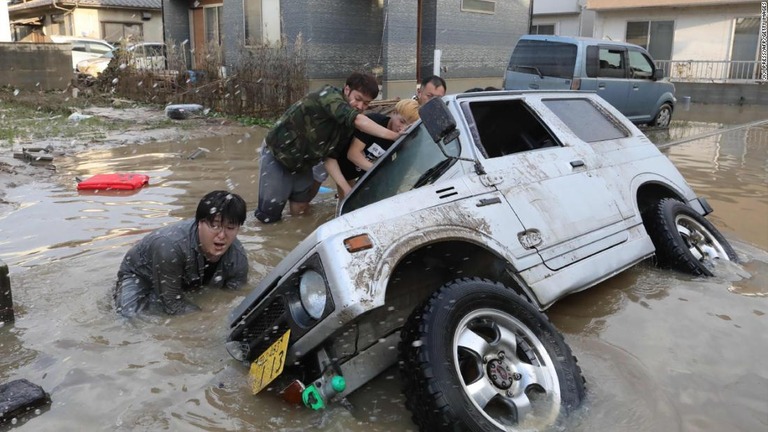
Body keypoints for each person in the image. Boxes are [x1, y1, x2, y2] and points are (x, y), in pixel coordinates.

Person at [255, 72, 400, 223]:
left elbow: (330, 158)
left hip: (304, 162)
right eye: (358, 99)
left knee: (301, 210)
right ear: (346, 90)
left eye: (366, 103)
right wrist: (395, 136)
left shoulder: (347, 127)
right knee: (268, 218)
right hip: (278, 155)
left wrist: (347, 189)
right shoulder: (328, 95)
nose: (360, 106)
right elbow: (357, 120)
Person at [114, 191, 248, 317]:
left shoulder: (238, 257)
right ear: (199, 223)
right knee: (128, 316)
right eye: (214, 225)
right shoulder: (169, 246)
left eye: (230, 228)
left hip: (188, 278)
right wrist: (207, 318)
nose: (222, 235)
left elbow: (235, 296)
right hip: (141, 275)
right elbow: (173, 305)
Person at [324, 99, 420, 199]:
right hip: (336, 162)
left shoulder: (404, 137)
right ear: (393, 113)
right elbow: (353, 154)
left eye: (408, 126)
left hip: (358, 170)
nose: (402, 128)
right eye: (402, 121)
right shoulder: (373, 122)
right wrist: (380, 171)